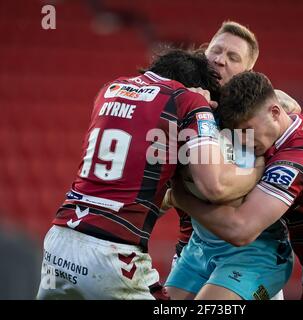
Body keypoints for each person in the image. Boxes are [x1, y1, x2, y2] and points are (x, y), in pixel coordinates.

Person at [36, 49, 265, 300]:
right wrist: (257, 171)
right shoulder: (187, 99)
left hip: (59, 242)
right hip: (113, 252)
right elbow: (216, 186)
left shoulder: (110, 89)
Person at [168, 71, 303, 300]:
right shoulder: (286, 124)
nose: (243, 140)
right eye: (238, 133)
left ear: (275, 113)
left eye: (247, 131)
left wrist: (182, 199)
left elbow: (241, 230)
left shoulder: (296, 160)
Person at [164, 22, 296, 300]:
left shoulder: (263, 119)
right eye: (216, 51)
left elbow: (219, 188)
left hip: (254, 253)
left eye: (233, 57)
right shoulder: (183, 106)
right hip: (200, 248)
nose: (220, 60)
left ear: (246, 74)